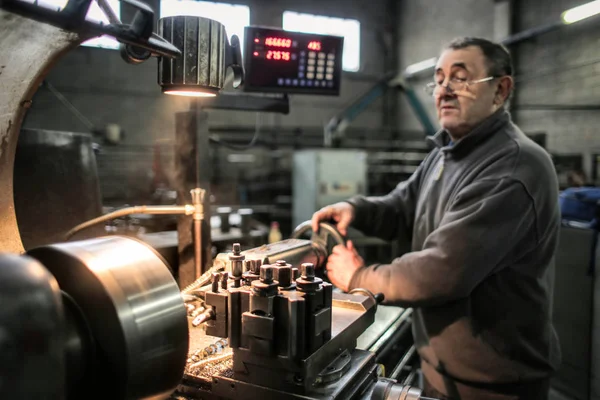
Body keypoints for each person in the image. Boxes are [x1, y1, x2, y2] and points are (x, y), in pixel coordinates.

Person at [312, 37, 560, 400]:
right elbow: (403, 205)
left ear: (500, 89)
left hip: (496, 384)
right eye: (439, 78)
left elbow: (442, 272)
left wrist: (359, 277)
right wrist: (358, 210)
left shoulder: (513, 167)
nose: (443, 90)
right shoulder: (448, 152)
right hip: (444, 369)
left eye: (459, 78)